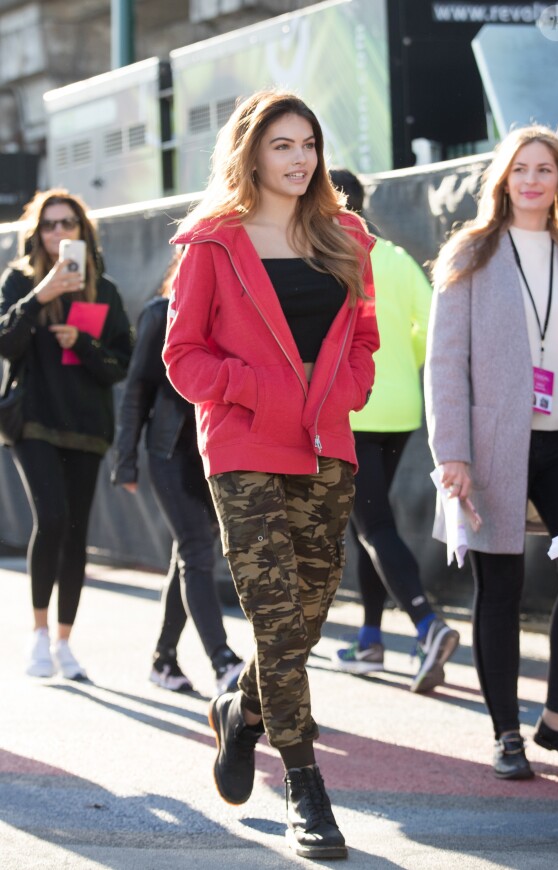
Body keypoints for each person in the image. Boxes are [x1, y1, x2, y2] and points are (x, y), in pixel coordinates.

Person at [162, 90, 379, 860]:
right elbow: (182, 356)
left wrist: (346, 390)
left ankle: (242, 711)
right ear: (251, 152)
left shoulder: (347, 234)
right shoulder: (211, 241)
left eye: (309, 144)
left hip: (326, 443)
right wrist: (257, 390)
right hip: (245, 445)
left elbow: (365, 339)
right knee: (277, 616)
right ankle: (305, 781)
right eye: (282, 144)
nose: (298, 159)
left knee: (311, 609)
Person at [425, 125, 558, 780]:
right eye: (521, 168)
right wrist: (452, 451)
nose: (533, 180)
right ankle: (505, 732)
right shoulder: (472, 251)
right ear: (502, 178)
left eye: (546, 168)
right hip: (491, 441)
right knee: (501, 585)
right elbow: (443, 361)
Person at [328, 169, 460, 692]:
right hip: (402, 407)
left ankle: (428, 625)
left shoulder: (326, 258)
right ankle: (370, 640)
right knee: (369, 525)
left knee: (373, 525)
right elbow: (433, 326)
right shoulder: (397, 256)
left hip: (353, 408)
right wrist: (407, 363)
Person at [0, 188, 132, 680]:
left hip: (87, 425)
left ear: (82, 231)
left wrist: (87, 344)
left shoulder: (107, 291)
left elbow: (121, 362)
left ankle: (64, 641)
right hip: (32, 420)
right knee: (51, 519)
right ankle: (36, 635)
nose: (59, 233)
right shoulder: (19, 281)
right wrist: (42, 296)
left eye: (68, 224)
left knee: (76, 532)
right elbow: (6, 343)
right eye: (50, 225)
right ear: (37, 233)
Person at [111, 253, 243, 695]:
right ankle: (223, 660)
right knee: (196, 551)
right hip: (170, 452)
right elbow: (137, 391)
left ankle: (163, 660)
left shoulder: (236, 312)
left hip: (217, 452)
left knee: (189, 555)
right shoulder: (159, 313)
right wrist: (125, 459)